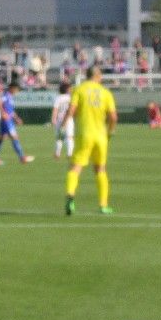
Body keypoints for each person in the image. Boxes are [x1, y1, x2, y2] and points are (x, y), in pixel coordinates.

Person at [64, 64, 118, 215]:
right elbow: (113, 117)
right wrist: (110, 131)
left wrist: (64, 124)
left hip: (84, 134)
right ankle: (103, 205)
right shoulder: (105, 92)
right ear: (98, 76)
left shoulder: (79, 89)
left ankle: (70, 195)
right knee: (100, 169)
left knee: (75, 167)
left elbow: (72, 110)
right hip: (101, 136)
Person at [0, 79, 33, 165]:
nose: (17, 91)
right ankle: (22, 157)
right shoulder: (6, 95)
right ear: (12, 88)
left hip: (8, 121)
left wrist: (16, 118)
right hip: (7, 121)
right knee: (14, 137)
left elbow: (11, 110)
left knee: (1, 139)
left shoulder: (10, 97)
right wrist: (3, 113)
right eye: (17, 89)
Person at [50, 81, 74, 159]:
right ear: (67, 89)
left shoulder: (58, 98)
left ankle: (57, 153)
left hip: (59, 119)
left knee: (59, 136)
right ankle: (69, 154)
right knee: (69, 136)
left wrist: (53, 119)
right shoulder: (71, 98)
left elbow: (55, 109)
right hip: (69, 119)